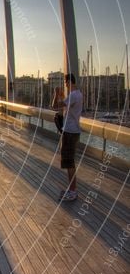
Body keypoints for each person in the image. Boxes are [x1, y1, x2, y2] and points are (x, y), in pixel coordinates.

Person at [54, 73, 82, 201]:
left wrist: (56, 94)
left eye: (65, 83)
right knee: (69, 161)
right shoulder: (77, 95)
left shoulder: (74, 95)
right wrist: (62, 97)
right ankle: (72, 189)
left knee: (69, 162)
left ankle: (73, 191)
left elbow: (55, 106)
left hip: (70, 132)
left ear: (69, 81)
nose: (65, 85)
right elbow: (66, 106)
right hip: (72, 131)